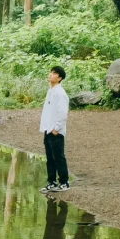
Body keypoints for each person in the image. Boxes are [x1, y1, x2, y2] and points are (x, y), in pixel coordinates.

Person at [39, 64, 70, 193]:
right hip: (48, 129)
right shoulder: (51, 91)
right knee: (50, 158)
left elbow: (62, 113)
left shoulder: (60, 93)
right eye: (50, 72)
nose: (50, 74)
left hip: (55, 131)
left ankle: (64, 182)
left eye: (54, 73)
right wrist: (46, 129)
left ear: (60, 78)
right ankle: (51, 182)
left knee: (58, 157)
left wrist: (56, 129)